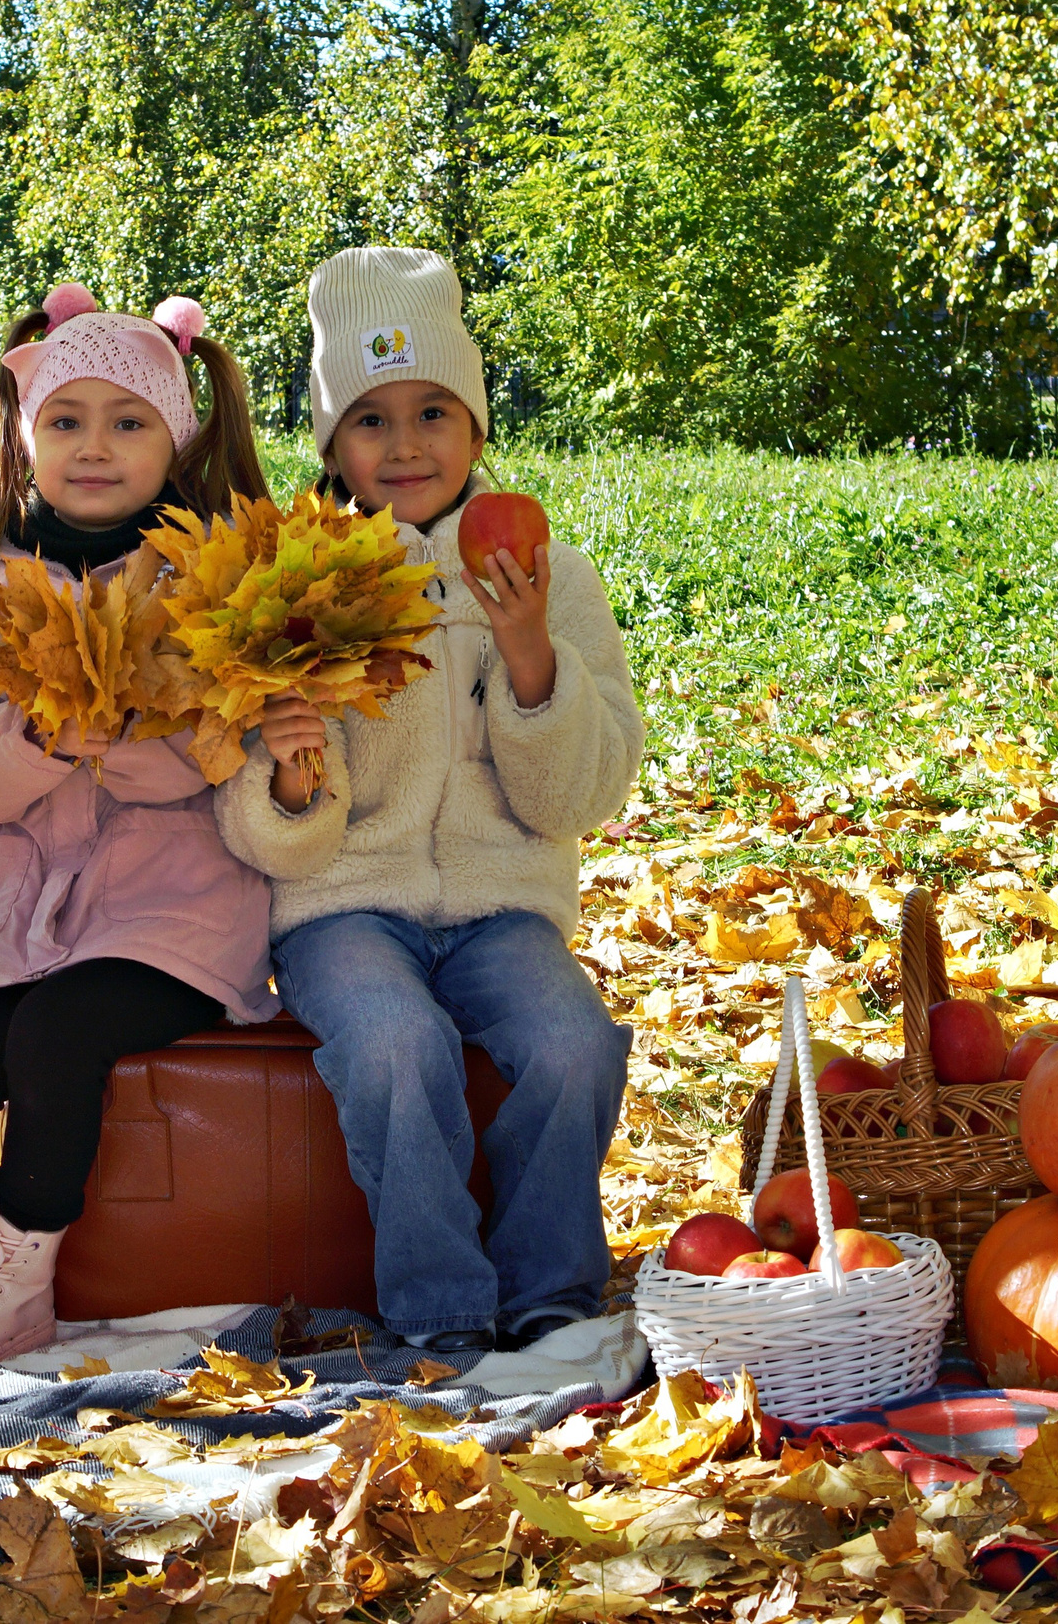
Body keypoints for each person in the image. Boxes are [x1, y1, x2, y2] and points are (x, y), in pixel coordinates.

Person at [0, 282, 277, 1371]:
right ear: (29, 442)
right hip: (19, 914)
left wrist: (104, 729)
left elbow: (202, 758)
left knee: (55, 1039)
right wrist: (41, 730)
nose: (94, 447)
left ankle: (15, 1274)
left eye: (128, 423)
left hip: (165, 911)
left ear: (171, 443)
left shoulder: (202, 582)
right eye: (66, 422)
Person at [215, 247, 644, 1355]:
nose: (404, 445)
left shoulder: (550, 574)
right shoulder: (303, 578)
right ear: (329, 442)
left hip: (502, 905)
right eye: (369, 419)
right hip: (346, 907)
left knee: (573, 1045)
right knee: (398, 1046)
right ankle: (442, 1310)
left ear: (477, 427)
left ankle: (550, 1293)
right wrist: (294, 783)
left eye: (433, 411)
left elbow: (576, 799)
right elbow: (265, 826)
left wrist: (527, 655)